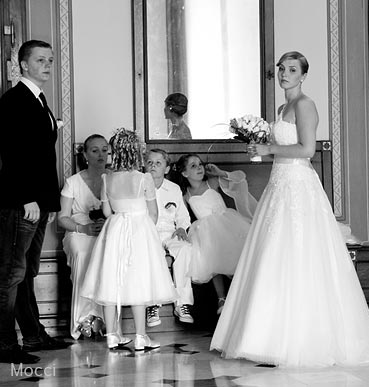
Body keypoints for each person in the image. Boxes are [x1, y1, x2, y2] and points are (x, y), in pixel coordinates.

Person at [210, 51, 369, 367]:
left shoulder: (305, 104)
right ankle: (264, 336)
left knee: (300, 253)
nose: (284, 73)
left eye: (291, 69)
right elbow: (281, 150)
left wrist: (269, 147)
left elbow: (306, 150)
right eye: (281, 69)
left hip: (299, 187)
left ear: (303, 75)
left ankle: (301, 338)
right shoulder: (281, 108)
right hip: (279, 185)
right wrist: (261, 150)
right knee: (272, 254)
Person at [0, 39, 70, 364]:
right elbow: (13, 154)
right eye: (40, 60)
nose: (48, 65)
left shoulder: (38, 99)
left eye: (50, 60)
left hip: (38, 202)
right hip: (21, 201)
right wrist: (28, 199)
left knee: (26, 271)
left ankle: (34, 335)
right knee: (11, 272)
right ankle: (5, 345)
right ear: (24, 64)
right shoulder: (14, 99)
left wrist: (48, 203)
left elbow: (39, 155)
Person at [80, 128, 177, 351]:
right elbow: (153, 214)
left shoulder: (107, 178)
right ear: (137, 153)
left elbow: (106, 212)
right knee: (138, 281)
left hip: (115, 230)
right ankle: (141, 336)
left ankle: (113, 335)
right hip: (139, 229)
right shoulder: (144, 179)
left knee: (110, 281)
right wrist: (143, 228)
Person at [172, 154, 256, 315]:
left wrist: (220, 172)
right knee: (212, 261)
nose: (199, 168)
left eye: (200, 164)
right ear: (184, 173)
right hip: (204, 231)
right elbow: (181, 215)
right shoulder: (186, 196)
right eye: (193, 166)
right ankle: (221, 299)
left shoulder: (212, 183)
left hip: (227, 224)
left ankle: (243, 296)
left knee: (236, 256)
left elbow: (240, 178)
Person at [58, 134, 110, 340]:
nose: (101, 155)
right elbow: (62, 218)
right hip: (78, 231)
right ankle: (82, 318)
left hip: (106, 230)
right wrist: (83, 229)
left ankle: (104, 318)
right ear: (85, 154)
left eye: (105, 150)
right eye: (95, 150)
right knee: (83, 252)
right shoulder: (73, 182)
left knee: (107, 254)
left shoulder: (113, 177)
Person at [144, 149, 195, 327]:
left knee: (185, 249)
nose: (153, 166)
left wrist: (181, 227)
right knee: (152, 253)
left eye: (158, 163)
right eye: (149, 162)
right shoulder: (139, 185)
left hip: (170, 232)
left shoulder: (173, 189)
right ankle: (152, 304)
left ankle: (182, 304)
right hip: (148, 233)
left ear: (166, 169)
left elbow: (182, 215)